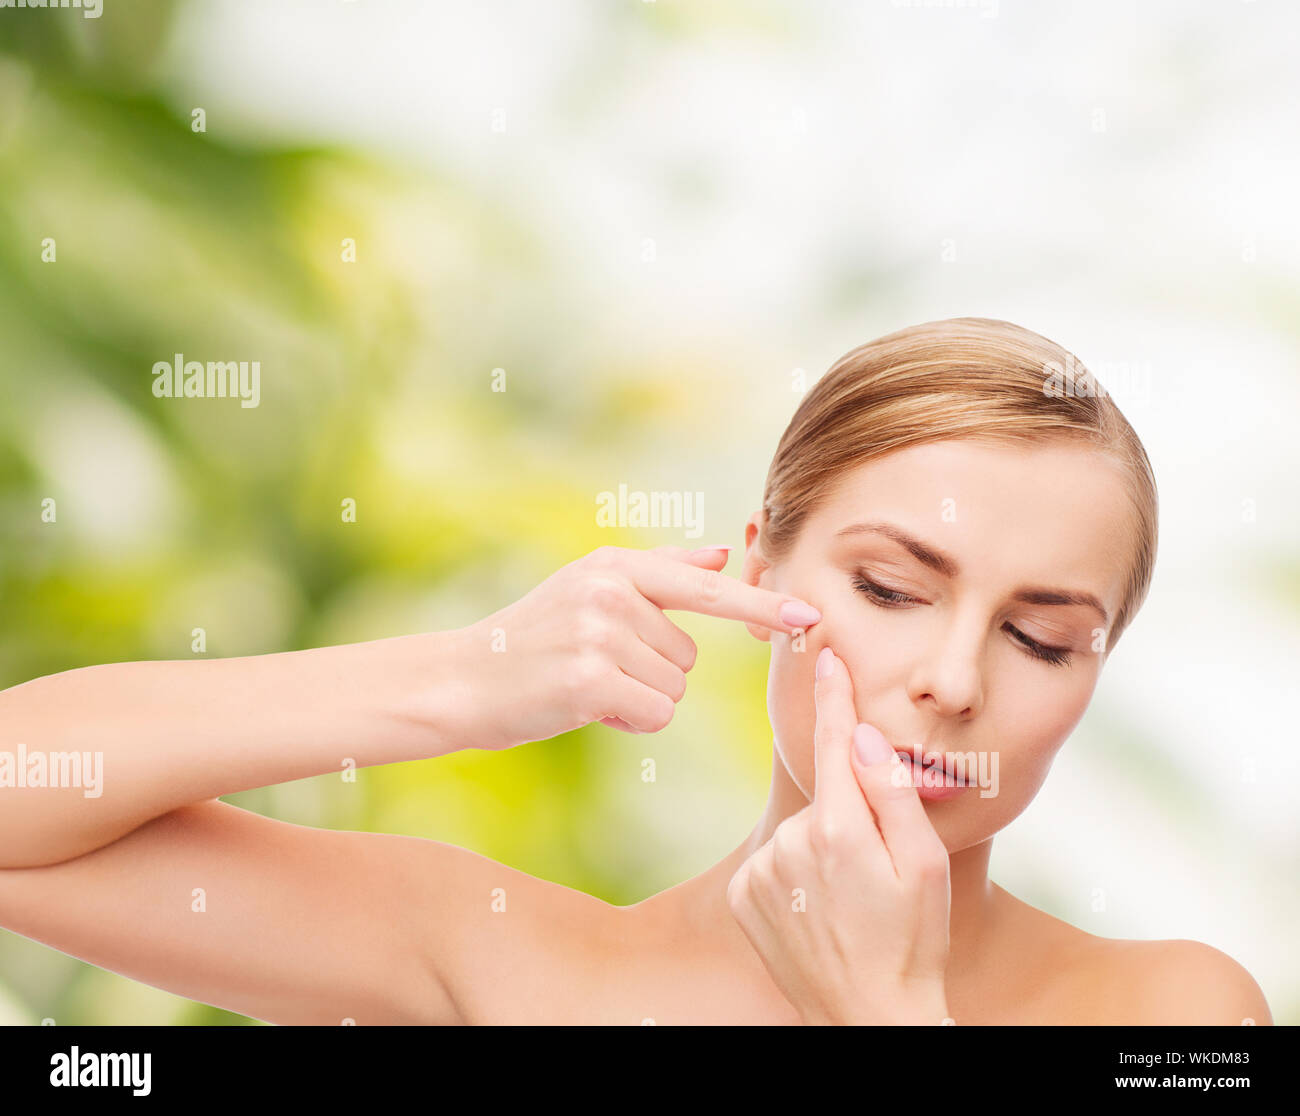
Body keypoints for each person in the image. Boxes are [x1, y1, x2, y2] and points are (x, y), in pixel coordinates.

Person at [0, 317, 1273, 1025]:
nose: (951, 679)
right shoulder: (520, 971)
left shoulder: (1174, 1017)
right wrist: (458, 677)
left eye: (1040, 637)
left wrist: (887, 1011)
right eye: (890, 588)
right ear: (759, 572)